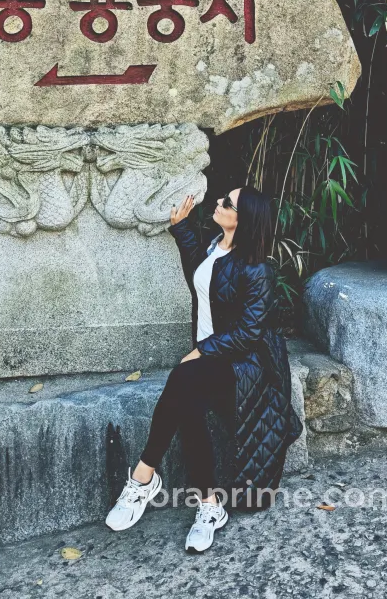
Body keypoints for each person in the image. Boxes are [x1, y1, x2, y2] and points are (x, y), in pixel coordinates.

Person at [105, 185, 302, 552]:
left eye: (227, 203)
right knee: (189, 404)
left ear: (244, 220)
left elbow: (248, 333)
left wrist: (201, 351)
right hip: (213, 358)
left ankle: (143, 477)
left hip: (244, 365)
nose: (218, 203)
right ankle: (209, 505)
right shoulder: (216, 247)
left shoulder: (257, 269)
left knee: (183, 377)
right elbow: (204, 275)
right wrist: (181, 229)